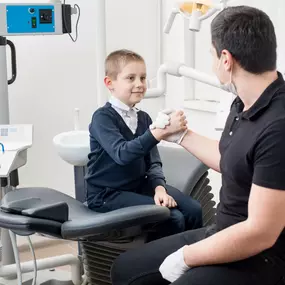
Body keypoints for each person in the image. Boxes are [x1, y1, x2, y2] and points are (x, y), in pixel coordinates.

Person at [111, 6, 285, 285]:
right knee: (126, 268)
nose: (213, 63)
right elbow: (231, 158)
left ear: (226, 59)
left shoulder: (277, 126)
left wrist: (187, 256)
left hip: (263, 254)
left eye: (212, 55)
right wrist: (181, 136)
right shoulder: (242, 102)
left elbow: (262, 231)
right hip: (224, 229)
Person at [85, 49, 203, 240]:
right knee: (172, 217)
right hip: (107, 195)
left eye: (143, 77)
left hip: (139, 186)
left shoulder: (143, 118)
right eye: (130, 78)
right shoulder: (102, 118)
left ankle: (192, 263)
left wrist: (159, 189)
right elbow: (122, 154)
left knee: (193, 210)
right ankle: (161, 267)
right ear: (110, 83)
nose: (139, 84)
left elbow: (153, 163)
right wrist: (159, 132)